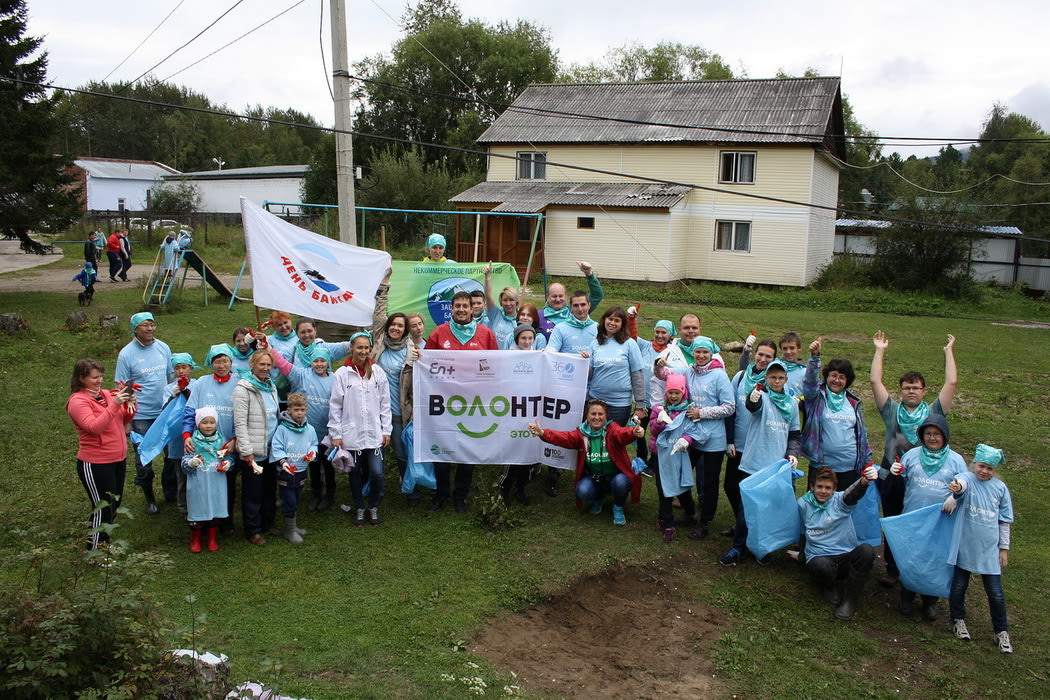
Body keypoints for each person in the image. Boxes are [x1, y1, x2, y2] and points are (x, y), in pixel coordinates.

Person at [871, 330, 957, 586]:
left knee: (922, 525)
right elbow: (875, 382)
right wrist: (879, 350)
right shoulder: (891, 410)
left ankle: (917, 571)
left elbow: (951, 384)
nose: (911, 391)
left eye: (915, 388)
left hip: (924, 479)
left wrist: (948, 351)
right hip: (892, 476)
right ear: (901, 391)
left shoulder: (933, 412)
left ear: (923, 391)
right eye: (907, 388)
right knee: (893, 521)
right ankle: (892, 569)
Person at [720, 360, 801, 566]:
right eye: (773, 377)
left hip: (775, 467)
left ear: (786, 379)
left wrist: (792, 454)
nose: (776, 381)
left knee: (767, 512)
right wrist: (752, 398)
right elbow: (752, 406)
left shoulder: (791, 403)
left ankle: (761, 548)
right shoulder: (761, 397)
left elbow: (794, 434)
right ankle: (738, 547)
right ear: (766, 378)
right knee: (746, 510)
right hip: (753, 463)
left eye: (780, 378)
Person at [885, 414, 966, 620]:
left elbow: (965, 486)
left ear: (944, 436)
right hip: (913, 518)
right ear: (922, 436)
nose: (932, 438)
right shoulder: (911, 456)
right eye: (928, 433)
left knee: (934, 560)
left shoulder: (956, 460)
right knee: (910, 558)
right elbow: (898, 486)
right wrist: (894, 474)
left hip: (940, 522)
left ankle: (930, 601)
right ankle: (906, 596)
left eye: (937, 434)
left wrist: (956, 496)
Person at [655, 337, 735, 539]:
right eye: (697, 352)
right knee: (680, 472)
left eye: (705, 352)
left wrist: (702, 413)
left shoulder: (719, 375)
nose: (701, 356)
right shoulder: (689, 371)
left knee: (708, 482)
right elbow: (665, 375)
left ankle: (704, 521)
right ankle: (689, 512)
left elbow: (729, 407)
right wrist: (659, 365)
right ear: (693, 353)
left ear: (711, 354)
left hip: (713, 439)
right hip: (689, 434)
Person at [424, 291, 498, 511]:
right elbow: (426, 364)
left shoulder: (485, 333)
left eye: (465, 306)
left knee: (468, 449)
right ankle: (441, 493)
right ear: (452, 308)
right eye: (457, 306)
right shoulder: (439, 333)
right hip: (444, 403)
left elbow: (496, 364)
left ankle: (460, 495)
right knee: (441, 448)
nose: (461, 310)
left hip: (473, 404)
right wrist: (418, 358)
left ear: (472, 308)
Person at [944, 443, 1014, 653]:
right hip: (965, 545)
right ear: (974, 464)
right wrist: (956, 489)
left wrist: (1004, 549)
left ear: (994, 470)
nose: (984, 471)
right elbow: (961, 485)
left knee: (995, 593)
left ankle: (1001, 631)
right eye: (981, 466)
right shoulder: (967, 478)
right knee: (959, 586)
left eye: (989, 468)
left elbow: (1004, 520)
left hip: (989, 549)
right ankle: (957, 619)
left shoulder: (1000, 489)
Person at [528, 398, 644, 525]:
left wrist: (633, 432)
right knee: (582, 491)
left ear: (606, 416)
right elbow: (563, 438)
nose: (597, 417)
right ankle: (600, 497)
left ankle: (618, 506)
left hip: (617, 476)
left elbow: (622, 433)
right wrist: (543, 433)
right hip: (596, 478)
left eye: (600, 414)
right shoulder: (581, 433)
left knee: (621, 482)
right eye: (593, 414)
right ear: (587, 416)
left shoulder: (612, 429)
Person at [66, 358, 135, 552]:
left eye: (101, 376)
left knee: (114, 504)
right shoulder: (77, 402)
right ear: (81, 378)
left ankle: (104, 545)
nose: (100, 381)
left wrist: (130, 404)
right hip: (96, 462)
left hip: (117, 458)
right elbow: (94, 427)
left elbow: (123, 418)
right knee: (102, 507)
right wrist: (115, 404)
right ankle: (95, 552)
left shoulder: (105, 394)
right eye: (94, 378)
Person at [799, 465, 878, 621]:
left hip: (846, 555)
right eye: (819, 486)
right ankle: (829, 586)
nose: (823, 491)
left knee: (867, 551)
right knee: (821, 565)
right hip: (820, 557)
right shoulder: (802, 504)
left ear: (834, 489)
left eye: (828, 488)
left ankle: (849, 601)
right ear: (812, 487)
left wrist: (864, 481)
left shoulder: (841, 501)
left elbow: (853, 493)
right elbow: (802, 532)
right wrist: (802, 555)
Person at [329, 332, 392, 526]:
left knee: (377, 472)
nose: (363, 351)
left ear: (370, 348)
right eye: (359, 347)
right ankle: (359, 506)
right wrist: (336, 434)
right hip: (352, 433)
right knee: (354, 473)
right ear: (352, 348)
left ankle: (373, 505)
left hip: (374, 433)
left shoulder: (377, 372)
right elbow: (335, 405)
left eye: (366, 347)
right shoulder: (342, 373)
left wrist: (386, 430)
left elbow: (385, 403)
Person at [116, 312, 173, 513]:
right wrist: (126, 419)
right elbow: (122, 387)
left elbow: (171, 377)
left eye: (152, 324)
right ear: (135, 329)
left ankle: (170, 492)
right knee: (144, 460)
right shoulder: (126, 355)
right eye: (145, 325)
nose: (150, 329)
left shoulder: (163, 347)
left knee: (171, 455)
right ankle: (150, 498)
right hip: (140, 416)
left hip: (164, 412)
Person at [270, 341, 336, 511]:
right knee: (313, 464)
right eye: (316, 361)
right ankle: (316, 493)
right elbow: (284, 365)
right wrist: (268, 349)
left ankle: (329, 495)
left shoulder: (335, 379)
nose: (319, 364)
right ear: (310, 362)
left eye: (323, 361)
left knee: (328, 465)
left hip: (328, 433)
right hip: (307, 433)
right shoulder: (302, 375)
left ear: (328, 362)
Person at [723, 338, 778, 541]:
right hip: (738, 444)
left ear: (774, 359)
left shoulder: (773, 383)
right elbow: (730, 409)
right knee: (731, 486)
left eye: (768, 356)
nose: (763, 359)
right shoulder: (740, 377)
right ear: (755, 353)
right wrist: (729, 440)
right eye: (760, 354)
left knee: (752, 492)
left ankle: (748, 529)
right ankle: (742, 523)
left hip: (758, 448)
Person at [800, 337, 872, 490]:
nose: (836, 380)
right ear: (827, 376)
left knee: (845, 504)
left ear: (847, 380)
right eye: (833, 375)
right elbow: (810, 382)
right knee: (818, 502)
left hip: (849, 469)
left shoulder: (853, 402)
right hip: (821, 467)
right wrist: (815, 357)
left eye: (842, 377)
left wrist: (868, 460)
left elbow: (861, 434)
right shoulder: (816, 397)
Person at [183, 344, 240, 535]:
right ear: (210, 363)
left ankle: (225, 520)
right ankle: (201, 520)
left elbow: (241, 414)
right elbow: (190, 412)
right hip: (202, 444)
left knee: (227, 483)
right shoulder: (202, 383)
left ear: (231, 362)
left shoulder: (239, 382)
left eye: (225, 361)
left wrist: (235, 438)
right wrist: (186, 436)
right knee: (202, 482)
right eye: (217, 362)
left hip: (227, 444)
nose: (221, 366)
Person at [232, 350, 280, 545]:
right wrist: (246, 450)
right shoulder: (243, 389)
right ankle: (252, 529)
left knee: (269, 488)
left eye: (268, 365)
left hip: (270, 448)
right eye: (262, 364)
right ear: (252, 365)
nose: (265, 368)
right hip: (253, 450)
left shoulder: (270, 385)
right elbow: (240, 422)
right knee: (253, 492)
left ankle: (267, 523)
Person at [648, 374, 698, 541]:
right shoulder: (659, 409)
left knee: (681, 486)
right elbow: (653, 431)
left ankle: (690, 511)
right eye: (670, 392)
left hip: (679, 455)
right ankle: (667, 522)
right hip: (660, 454)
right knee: (663, 488)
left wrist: (687, 440)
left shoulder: (688, 411)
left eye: (677, 393)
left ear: (683, 392)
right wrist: (660, 422)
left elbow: (693, 430)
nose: (674, 396)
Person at [499, 323, 542, 505]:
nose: (527, 341)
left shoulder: (540, 356)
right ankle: (504, 489)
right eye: (523, 338)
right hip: (512, 411)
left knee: (527, 452)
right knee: (512, 452)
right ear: (517, 339)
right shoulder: (508, 356)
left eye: (530, 338)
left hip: (530, 410)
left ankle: (521, 488)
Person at [583, 306, 646, 427]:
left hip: (620, 405)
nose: (612, 323)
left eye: (617, 320)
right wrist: (584, 362)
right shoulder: (595, 343)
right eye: (610, 319)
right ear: (604, 320)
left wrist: (640, 404)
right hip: (595, 402)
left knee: (615, 437)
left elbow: (637, 374)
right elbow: (589, 375)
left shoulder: (630, 344)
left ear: (622, 324)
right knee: (594, 436)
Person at [181, 407, 232, 553]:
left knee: (215, 508)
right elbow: (184, 462)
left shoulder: (221, 440)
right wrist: (191, 463)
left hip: (216, 481)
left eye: (212, 422)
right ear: (198, 424)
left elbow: (228, 457)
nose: (209, 426)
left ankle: (212, 538)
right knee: (198, 508)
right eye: (204, 422)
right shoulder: (192, 441)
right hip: (199, 481)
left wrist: (228, 463)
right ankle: (195, 539)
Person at [271, 393, 317, 544]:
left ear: (306, 410)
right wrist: (283, 462)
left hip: (301, 471)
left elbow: (313, 444)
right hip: (286, 472)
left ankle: (293, 526)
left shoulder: (310, 429)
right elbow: (276, 447)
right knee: (289, 501)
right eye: (296, 410)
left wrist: (312, 453)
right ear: (289, 410)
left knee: (296, 499)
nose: (299, 413)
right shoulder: (282, 429)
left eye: (302, 410)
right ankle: (289, 531)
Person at [164, 352, 200, 515]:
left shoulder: (197, 385)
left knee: (197, 473)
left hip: (196, 436)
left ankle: (198, 505)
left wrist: (186, 392)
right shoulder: (168, 388)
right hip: (177, 439)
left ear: (191, 368)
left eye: (184, 367)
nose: (180, 371)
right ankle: (184, 508)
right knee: (182, 476)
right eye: (177, 368)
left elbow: (200, 405)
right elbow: (164, 413)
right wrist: (173, 396)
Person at [537, 260, 603, 339]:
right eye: (554, 296)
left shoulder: (576, 311)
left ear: (566, 296)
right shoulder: (538, 316)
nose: (558, 299)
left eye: (561, 296)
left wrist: (589, 274)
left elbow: (596, 296)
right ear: (547, 297)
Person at [547, 290, 599, 355]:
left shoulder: (598, 328)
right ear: (571, 307)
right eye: (576, 305)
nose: (580, 309)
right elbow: (551, 351)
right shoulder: (560, 328)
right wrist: (547, 351)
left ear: (589, 305)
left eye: (583, 305)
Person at [484, 266, 519, 349]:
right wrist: (487, 276)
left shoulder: (522, 317)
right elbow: (488, 296)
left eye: (511, 300)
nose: (508, 303)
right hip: (495, 355)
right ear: (500, 302)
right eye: (505, 300)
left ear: (516, 301)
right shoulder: (495, 314)